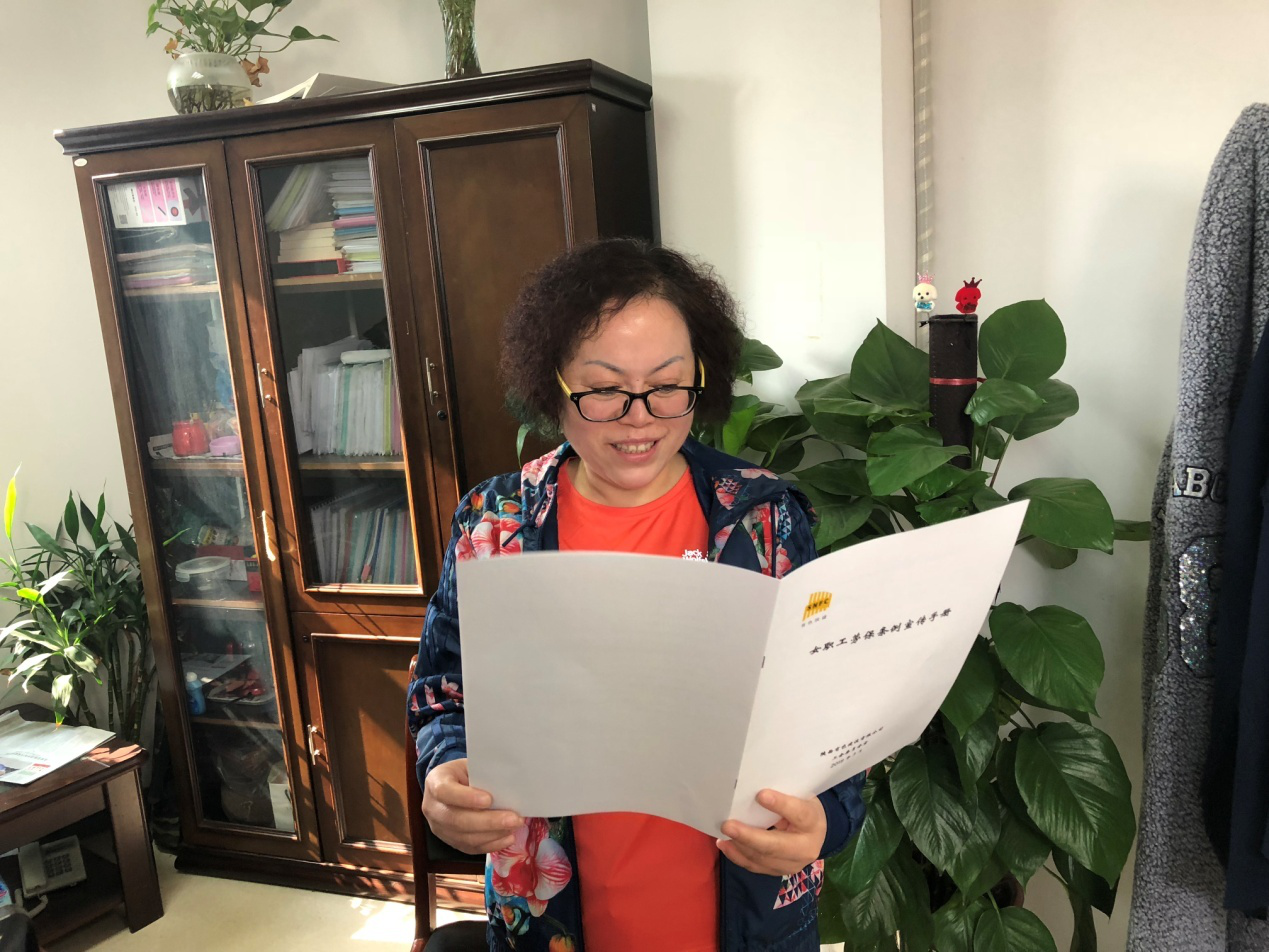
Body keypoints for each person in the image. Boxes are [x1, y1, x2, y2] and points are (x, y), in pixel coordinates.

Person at [408, 239, 866, 952]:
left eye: (668, 384)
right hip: (553, 919)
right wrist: (445, 772)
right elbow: (444, 692)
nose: (640, 416)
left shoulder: (763, 518)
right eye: (603, 389)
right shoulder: (496, 524)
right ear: (551, 385)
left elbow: (825, 711)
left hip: (748, 917)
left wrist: (826, 820)